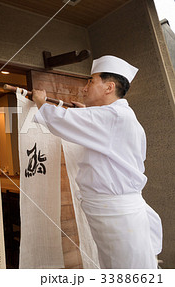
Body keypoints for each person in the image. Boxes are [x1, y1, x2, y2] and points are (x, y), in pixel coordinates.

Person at [31, 55, 162, 269]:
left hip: (118, 214)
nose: (84, 88)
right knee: (115, 267)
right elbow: (98, 131)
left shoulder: (115, 116)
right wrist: (86, 114)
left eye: (91, 81)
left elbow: (63, 120)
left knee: (126, 271)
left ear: (109, 87)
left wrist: (41, 103)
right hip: (112, 212)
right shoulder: (118, 116)